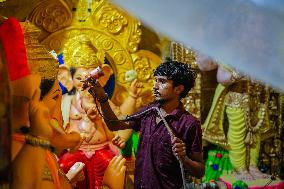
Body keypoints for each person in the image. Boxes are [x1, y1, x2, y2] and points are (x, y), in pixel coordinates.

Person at [88, 59, 205, 189]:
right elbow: (114, 124)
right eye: (156, 80)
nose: (155, 86)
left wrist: (184, 158)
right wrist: (102, 96)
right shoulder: (149, 111)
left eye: (162, 82)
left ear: (178, 89)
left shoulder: (189, 123)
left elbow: (199, 171)